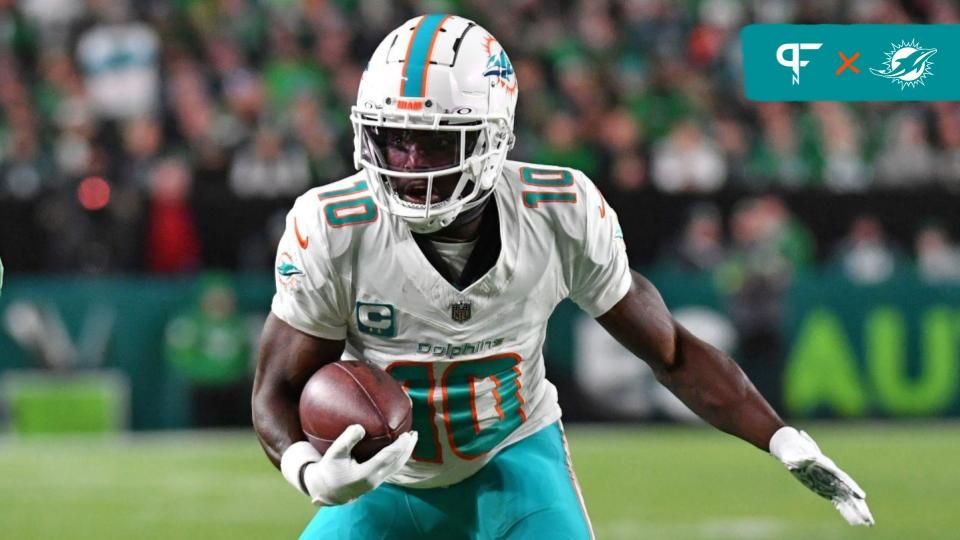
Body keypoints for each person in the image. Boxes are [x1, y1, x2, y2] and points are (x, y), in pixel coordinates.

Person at [252, 14, 873, 539]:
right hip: (381, 483)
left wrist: (781, 437)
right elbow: (274, 388)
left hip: (513, 459)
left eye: (437, 145)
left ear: (494, 139)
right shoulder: (335, 224)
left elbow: (672, 352)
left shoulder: (558, 210)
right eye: (394, 141)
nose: (411, 165)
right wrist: (310, 471)